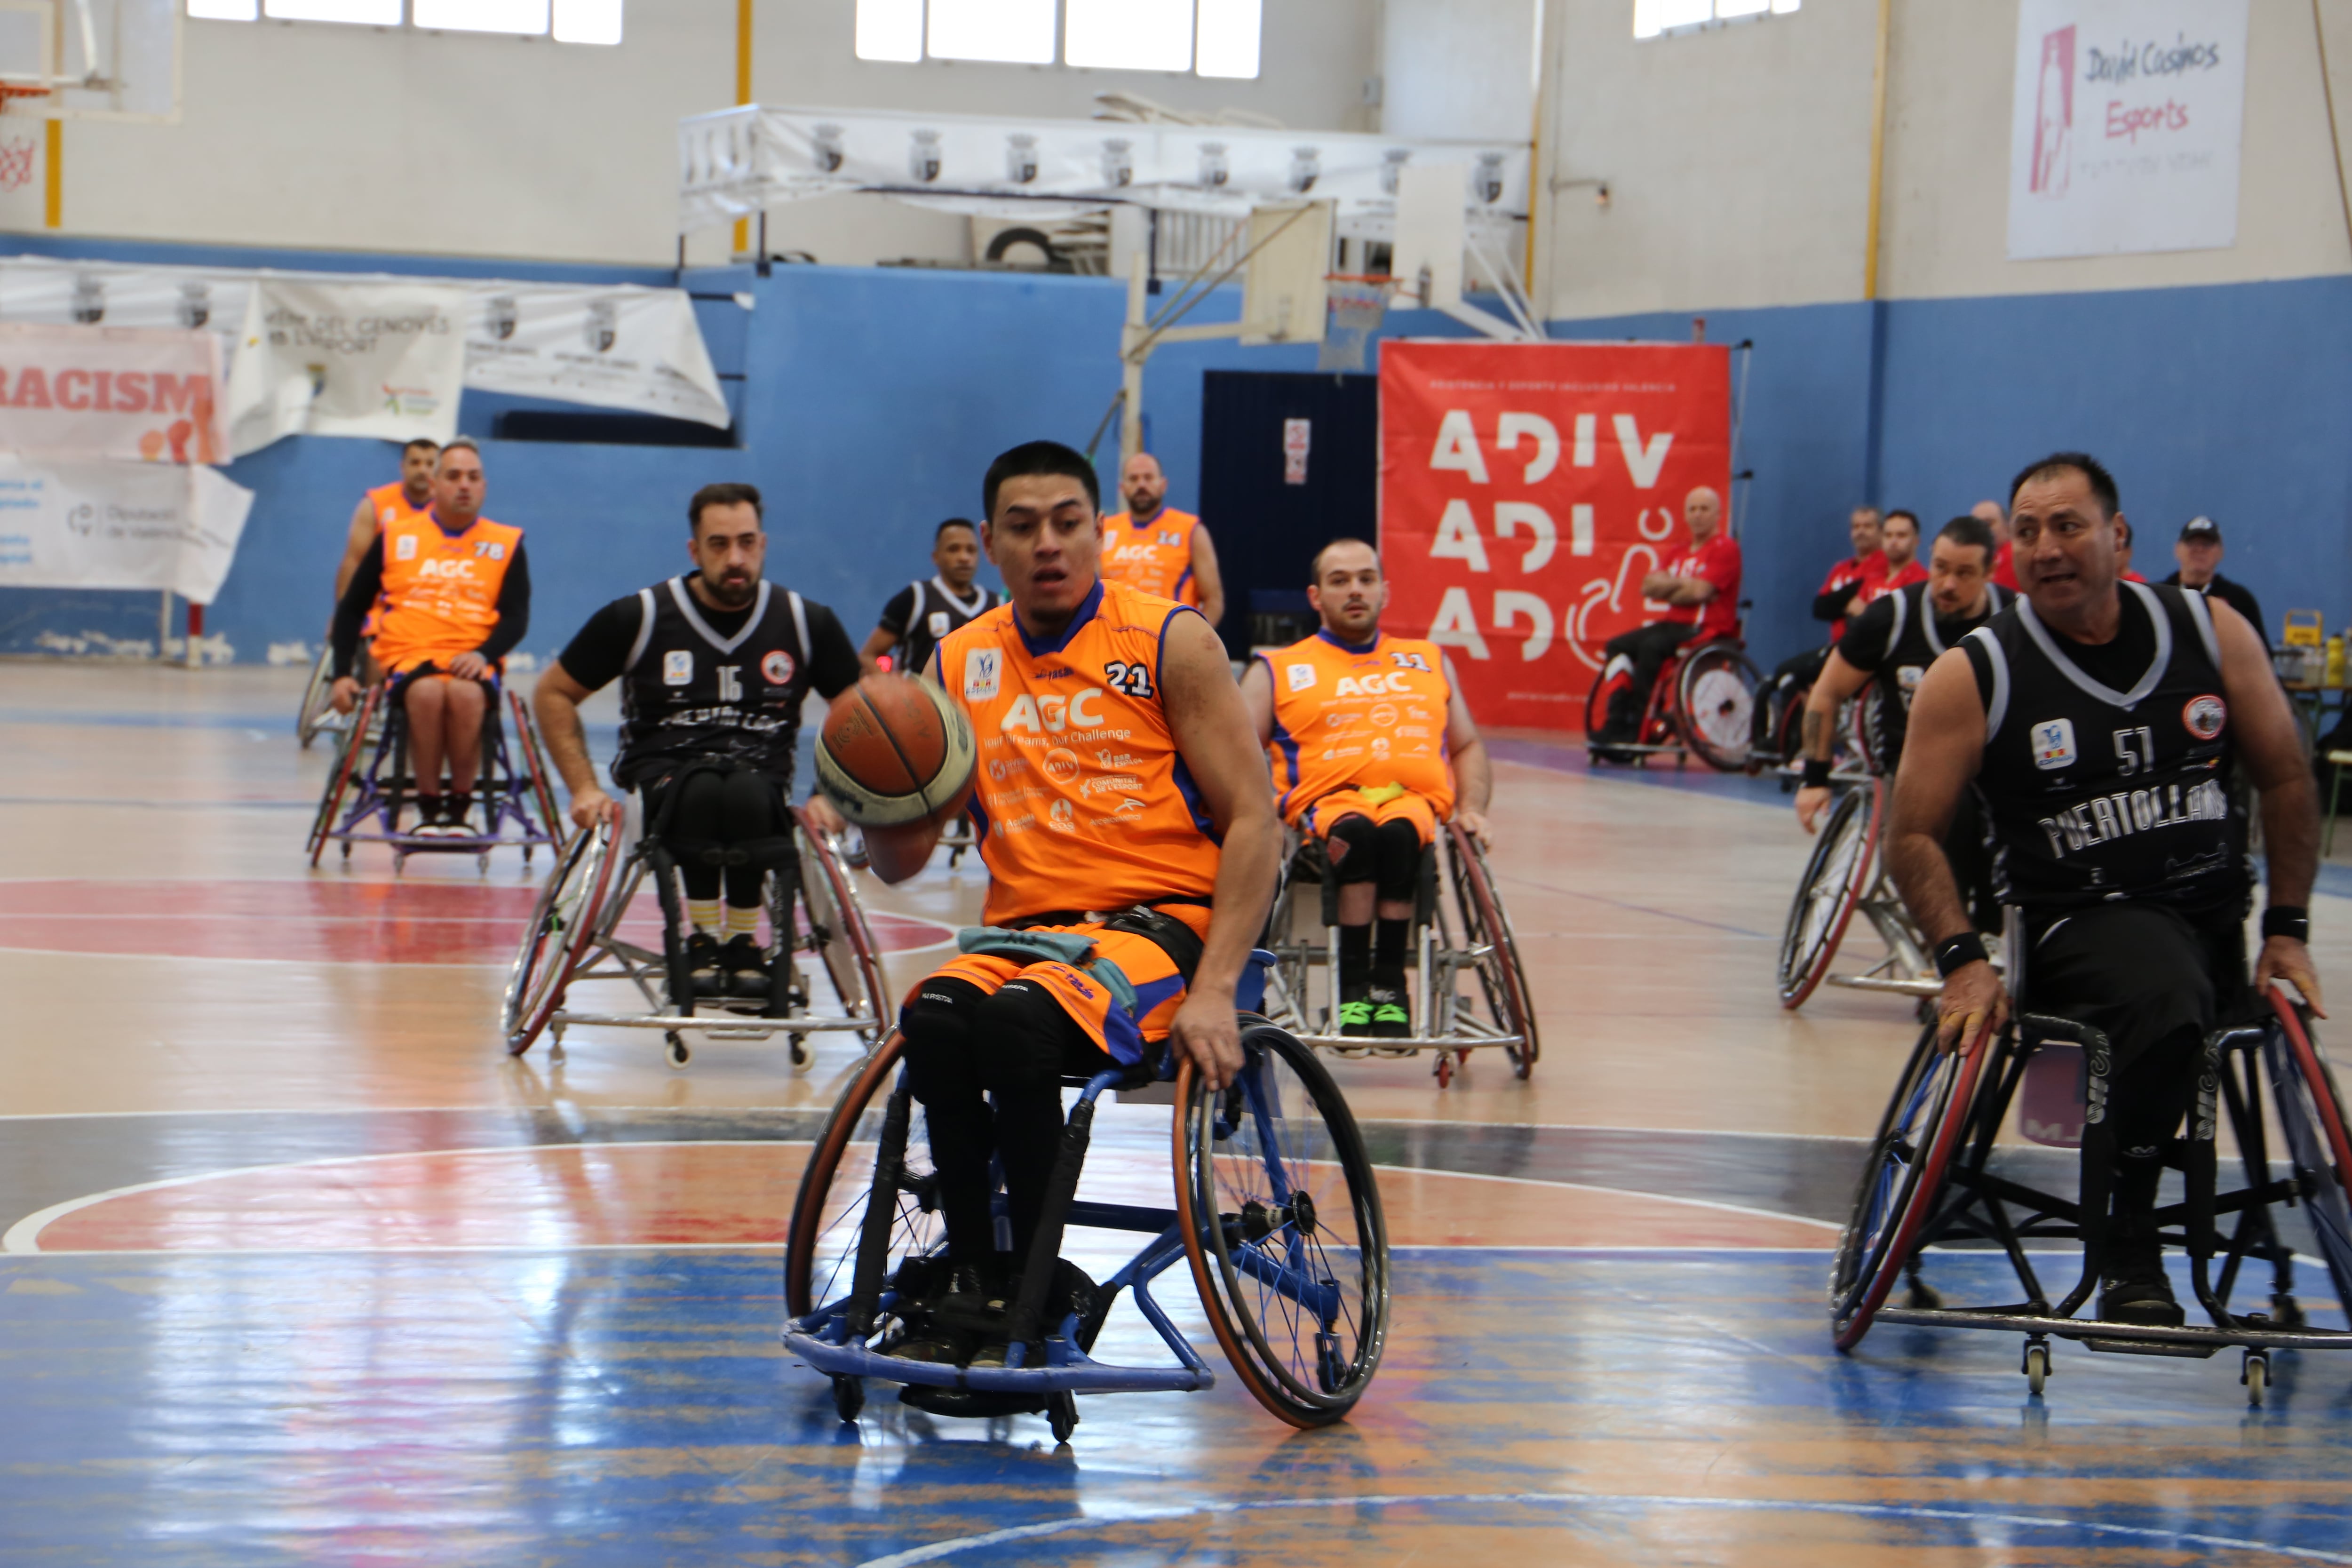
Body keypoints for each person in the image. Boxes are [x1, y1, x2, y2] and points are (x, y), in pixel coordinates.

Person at [860, 439, 1278, 1353]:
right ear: (988, 543)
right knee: (930, 1012)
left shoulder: (1170, 639)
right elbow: (902, 860)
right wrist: (869, 793)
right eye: (1021, 527)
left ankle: (1041, 1287)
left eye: (1066, 523)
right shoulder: (959, 660)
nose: (1046, 544)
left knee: (1015, 1023)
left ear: (1098, 532)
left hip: (1160, 929)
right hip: (1027, 939)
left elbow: (1256, 821)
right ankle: (977, 1274)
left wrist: (1216, 988)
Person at [1887, 452, 2322, 1328]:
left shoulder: (2212, 632)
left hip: (2209, 925)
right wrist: (1963, 958)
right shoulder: (1975, 672)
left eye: (2069, 526)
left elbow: (2285, 777)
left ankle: (2144, 1194)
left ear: (2119, 537)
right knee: (2160, 984)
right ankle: (2128, 1237)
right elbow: (1911, 834)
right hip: (2070, 929)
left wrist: (2287, 926)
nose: (2046, 547)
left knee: (2182, 977)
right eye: (2029, 530)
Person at [533, 483, 860, 998]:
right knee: (708, 788)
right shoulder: (639, 616)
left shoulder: (804, 622)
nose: (736, 558)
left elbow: (863, 714)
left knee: (748, 791)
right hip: (663, 779)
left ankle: (739, 944)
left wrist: (830, 795)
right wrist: (583, 788)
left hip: (761, 783)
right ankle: (705, 938)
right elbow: (552, 692)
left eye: (747, 543)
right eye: (719, 544)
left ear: (764, 544)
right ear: (694, 550)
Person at [1241, 538, 1491, 1037]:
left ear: (1384, 591)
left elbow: (1466, 747)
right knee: (1356, 836)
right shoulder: (1277, 668)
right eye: (1339, 581)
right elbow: (1233, 754)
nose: (1354, 591)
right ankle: (1353, 988)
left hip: (1412, 804)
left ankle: (1389, 987)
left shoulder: (1427, 660)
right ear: (1315, 597)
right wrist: (1251, 820)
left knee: (1400, 836)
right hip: (1327, 808)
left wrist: (1472, 808)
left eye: (1365, 579)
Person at [1794, 514, 2010, 931]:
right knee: (1955, 818)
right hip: (1909, 762)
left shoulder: (2013, 621)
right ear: (1929, 559)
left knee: (2008, 828)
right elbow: (1826, 693)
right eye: (1941, 568)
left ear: (1990, 572)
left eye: (1964, 573)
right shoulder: (1892, 617)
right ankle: (1956, 948)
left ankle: (1997, 940)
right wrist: (1815, 777)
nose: (1947, 584)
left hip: (1988, 763)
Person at [328, 438, 529, 838]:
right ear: (435, 485)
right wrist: (341, 673)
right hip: (409, 655)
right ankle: (427, 805)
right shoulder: (395, 536)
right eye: (453, 476)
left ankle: (459, 809)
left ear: (485, 487)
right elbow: (352, 608)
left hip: (470, 655)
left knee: (466, 696)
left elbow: (517, 616)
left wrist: (485, 653)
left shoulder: (506, 543)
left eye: (473, 477)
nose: (464, 486)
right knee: (426, 696)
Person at [1592, 485, 1742, 760]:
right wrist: (1684, 586)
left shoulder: (1726, 549)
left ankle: (1637, 726)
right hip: (1671, 623)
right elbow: (1648, 587)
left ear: (1718, 514)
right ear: (1685, 515)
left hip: (1705, 627)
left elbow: (1700, 592)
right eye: (1692, 509)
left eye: (1705, 509)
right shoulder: (1678, 550)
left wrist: (1672, 587)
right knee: (1617, 645)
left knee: (1653, 648)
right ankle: (1616, 720)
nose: (1698, 515)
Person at [1752, 506, 1884, 762]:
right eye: (1856, 527)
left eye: (1868, 526)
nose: (1861, 532)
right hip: (1835, 644)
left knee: (1804, 675)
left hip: (1855, 650)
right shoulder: (1841, 568)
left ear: (1880, 531)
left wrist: (1836, 602)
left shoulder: (1880, 566)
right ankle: (1777, 741)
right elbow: (1820, 608)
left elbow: (1833, 603)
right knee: (1781, 677)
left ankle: (1815, 746)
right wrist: (1842, 603)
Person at [328, 437, 439, 685]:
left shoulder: (447, 510)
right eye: (415, 462)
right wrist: (341, 615)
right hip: (382, 603)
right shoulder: (375, 504)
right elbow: (353, 562)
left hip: (432, 602)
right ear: (403, 467)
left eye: (430, 463)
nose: (423, 469)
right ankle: (376, 703)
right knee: (381, 639)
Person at [858, 518, 1002, 678]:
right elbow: (868, 656)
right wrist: (894, 696)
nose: (964, 557)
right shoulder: (915, 598)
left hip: (979, 700)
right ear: (936, 557)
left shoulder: (997, 605)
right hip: (919, 701)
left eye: (971, 550)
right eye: (954, 549)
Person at [1099, 451, 1225, 630]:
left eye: (1148, 478)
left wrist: (1194, 641)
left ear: (1163, 485)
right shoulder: (1105, 530)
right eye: (1133, 479)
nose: (1141, 485)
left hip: (1168, 642)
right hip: (1115, 642)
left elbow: (1214, 601)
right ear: (1122, 488)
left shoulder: (1191, 530)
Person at [2162, 516, 2268, 651]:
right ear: (2177, 549)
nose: (2199, 550)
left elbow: (2261, 655)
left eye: (2207, 544)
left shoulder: (2240, 601)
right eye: (2192, 543)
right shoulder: (2160, 597)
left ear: (2220, 552)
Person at [1972, 499, 2020, 591]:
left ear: (2008, 527)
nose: (1981, 529)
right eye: (1975, 525)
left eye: (1988, 523)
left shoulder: (2016, 556)